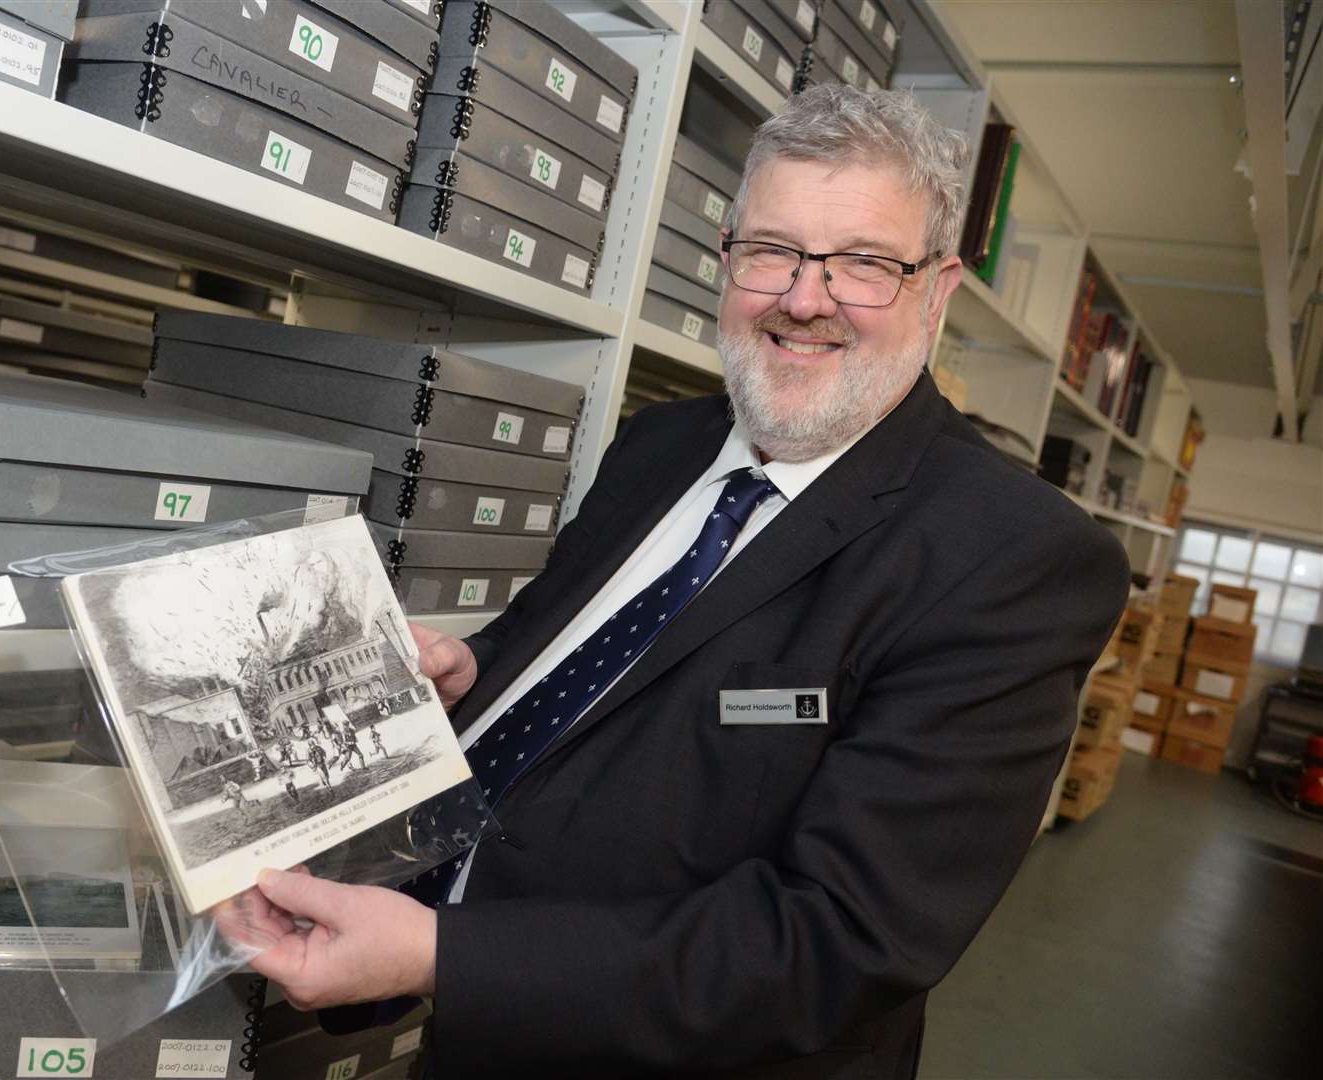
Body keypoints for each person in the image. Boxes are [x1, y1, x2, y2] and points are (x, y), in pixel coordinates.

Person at [241, 86, 1129, 1079]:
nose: (803, 298)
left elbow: (837, 941)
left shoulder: (1011, 557)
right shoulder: (659, 447)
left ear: (937, 291)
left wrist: (443, 953)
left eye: (864, 265)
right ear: (727, 261)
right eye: (772, 251)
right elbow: (577, 652)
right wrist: (473, 667)